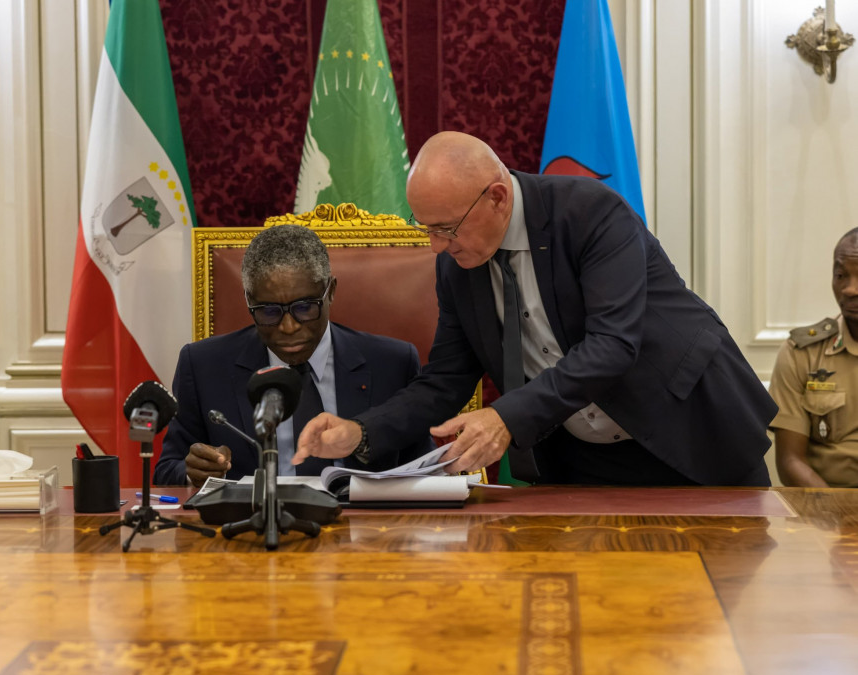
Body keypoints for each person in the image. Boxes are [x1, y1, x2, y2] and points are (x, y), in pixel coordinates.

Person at [293, 131, 777, 486]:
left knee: (721, 610)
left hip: (688, 430)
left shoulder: (590, 214)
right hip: (583, 461)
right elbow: (445, 381)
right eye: (427, 229)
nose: (437, 246)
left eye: (446, 227)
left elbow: (611, 346)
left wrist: (505, 417)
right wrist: (360, 431)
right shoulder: (457, 266)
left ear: (497, 198)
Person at [153, 224, 433, 487]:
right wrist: (195, 472)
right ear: (249, 301)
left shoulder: (392, 364)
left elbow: (423, 470)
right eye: (269, 311)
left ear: (330, 291)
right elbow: (168, 469)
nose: (288, 327)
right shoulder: (203, 365)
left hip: (364, 531)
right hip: (250, 530)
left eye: (305, 308)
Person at [768, 228, 858, 487]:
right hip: (827, 513)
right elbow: (790, 461)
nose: (850, 289)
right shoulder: (802, 354)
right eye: (841, 275)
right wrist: (838, 518)